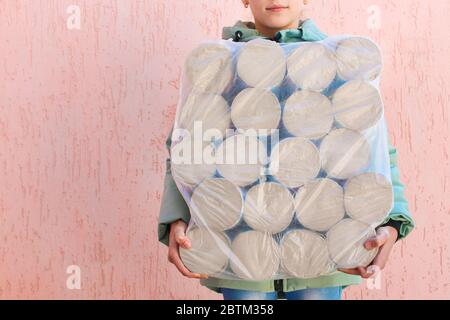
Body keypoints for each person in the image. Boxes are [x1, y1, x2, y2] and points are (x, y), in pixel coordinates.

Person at [158, 0, 415, 300]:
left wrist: (392, 223)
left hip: (322, 248)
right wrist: (177, 219)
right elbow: (185, 149)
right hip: (241, 249)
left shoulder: (338, 60)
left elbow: (377, 150)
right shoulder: (217, 63)